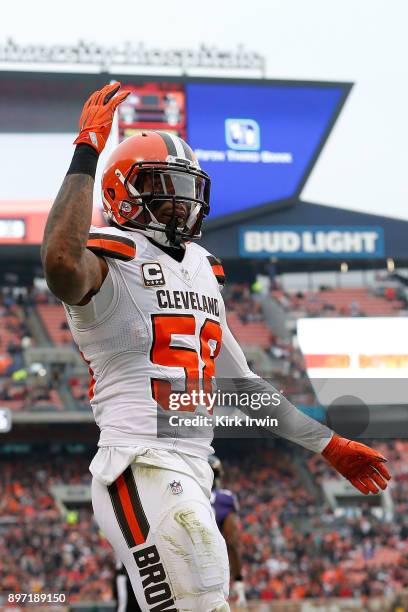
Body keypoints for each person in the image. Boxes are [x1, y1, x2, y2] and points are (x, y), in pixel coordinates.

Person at [41, 82, 391, 611]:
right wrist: (87, 148)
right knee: (202, 595)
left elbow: (243, 387)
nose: (181, 200)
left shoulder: (202, 269)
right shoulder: (108, 258)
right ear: (121, 194)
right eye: (162, 185)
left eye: (186, 187)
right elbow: (61, 263)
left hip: (194, 467)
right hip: (139, 462)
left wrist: (328, 445)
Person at [209, 456, 247, 608]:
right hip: (215, 569)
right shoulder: (225, 498)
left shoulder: (183, 494)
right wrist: (239, 583)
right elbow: (232, 543)